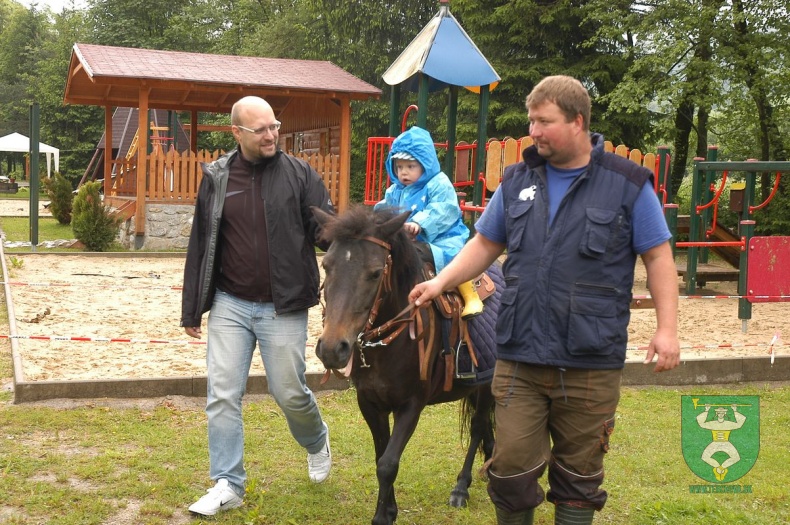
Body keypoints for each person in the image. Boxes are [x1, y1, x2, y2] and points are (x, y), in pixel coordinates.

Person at [409, 76, 680, 525]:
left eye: (544, 121)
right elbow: (484, 245)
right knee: (511, 470)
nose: (533, 131)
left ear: (577, 121)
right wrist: (441, 282)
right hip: (521, 354)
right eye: (531, 120)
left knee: (579, 478)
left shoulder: (627, 184)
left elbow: (658, 256)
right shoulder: (517, 181)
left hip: (590, 358)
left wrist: (667, 329)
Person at [181, 96, 334, 517]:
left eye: (274, 126)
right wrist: (192, 308)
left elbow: (326, 229)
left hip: (283, 306)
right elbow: (200, 243)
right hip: (230, 303)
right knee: (222, 393)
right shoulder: (216, 177)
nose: (271, 135)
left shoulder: (300, 174)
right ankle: (228, 483)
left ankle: (316, 440)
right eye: (260, 129)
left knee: (289, 392)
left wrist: (347, 238)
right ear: (237, 133)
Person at [375, 125, 483, 318]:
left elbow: (444, 208)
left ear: (425, 164)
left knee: (452, 257)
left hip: (443, 236)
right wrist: (375, 219)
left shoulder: (439, 184)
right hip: (409, 241)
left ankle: (470, 294)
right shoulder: (396, 189)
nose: (404, 172)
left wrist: (419, 223)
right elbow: (386, 207)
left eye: (410, 166)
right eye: (399, 167)